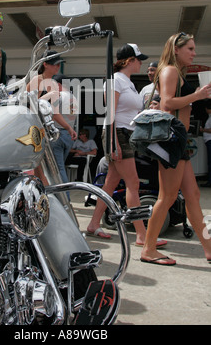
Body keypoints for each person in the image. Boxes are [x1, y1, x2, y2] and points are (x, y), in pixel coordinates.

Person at [141, 32, 211, 266]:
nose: (194, 53)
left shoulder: (175, 71)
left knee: (192, 195)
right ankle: (149, 250)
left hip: (179, 141)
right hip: (171, 140)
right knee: (168, 196)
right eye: (190, 49)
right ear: (177, 49)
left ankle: (209, 249)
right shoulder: (170, 70)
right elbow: (168, 102)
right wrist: (198, 95)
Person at [86, 43, 160, 242]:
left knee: (111, 182)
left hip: (125, 134)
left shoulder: (127, 82)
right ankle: (142, 235)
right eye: (139, 59)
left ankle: (93, 225)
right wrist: (113, 143)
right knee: (133, 183)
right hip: (117, 133)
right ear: (129, 61)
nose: (141, 63)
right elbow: (110, 112)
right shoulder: (116, 80)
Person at [26, 51, 77, 184]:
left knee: (47, 170)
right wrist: (46, 97)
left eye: (59, 64)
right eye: (55, 64)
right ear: (45, 65)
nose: (57, 67)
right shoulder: (37, 80)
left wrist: (68, 128)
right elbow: (29, 107)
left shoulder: (53, 84)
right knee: (41, 169)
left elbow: (54, 112)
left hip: (43, 130)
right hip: (32, 128)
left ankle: (52, 199)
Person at [49, 74, 78, 183]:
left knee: (58, 170)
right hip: (68, 136)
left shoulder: (58, 96)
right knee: (61, 168)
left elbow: (55, 115)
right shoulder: (73, 98)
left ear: (59, 84)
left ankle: (65, 197)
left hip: (58, 134)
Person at [201, 100, 211, 187]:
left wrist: (202, 130)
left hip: (210, 140)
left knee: (210, 161)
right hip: (208, 141)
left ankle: (210, 181)